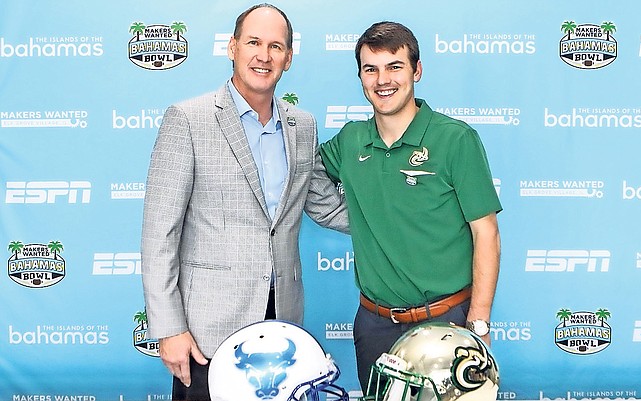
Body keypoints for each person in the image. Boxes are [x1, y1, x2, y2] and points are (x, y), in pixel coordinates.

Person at [140, 4, 348, 401]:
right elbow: (158, 234)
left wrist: (402, 217)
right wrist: (168, 328)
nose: (264, 55)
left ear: (288, 57)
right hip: (206, 333)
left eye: (275, 46)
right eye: (254, 42)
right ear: (232, 47)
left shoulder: (302, 126)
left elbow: (325, 205)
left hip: (283, 330)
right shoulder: (188, 119)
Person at [319, 21, 502, 389]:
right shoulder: (351, 139)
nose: (382, 79)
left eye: (394, 66)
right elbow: (303, 178)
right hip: (374, 325)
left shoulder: (455, 139)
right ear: (361, 77)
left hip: (447, 321)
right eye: (371, 69)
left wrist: (478, 323)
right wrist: (355, 214)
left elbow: (487, 233)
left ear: (416, 70)